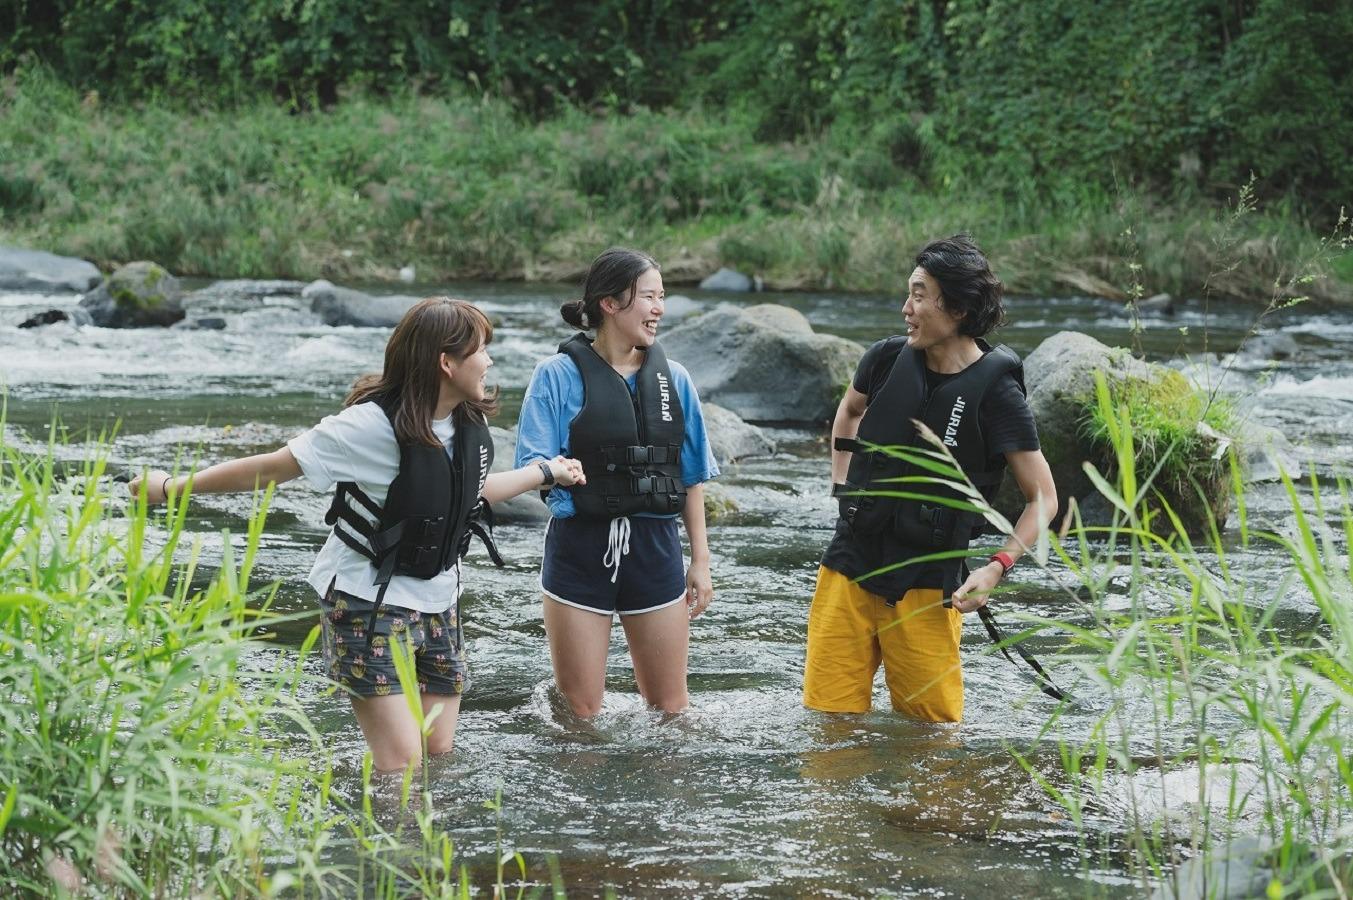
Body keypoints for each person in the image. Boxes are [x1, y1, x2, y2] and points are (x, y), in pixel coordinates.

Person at [129, 297, 585, 771]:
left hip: (439, 601)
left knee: (438, 754)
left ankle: (419, 841)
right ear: (446, 363)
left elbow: (468, 493)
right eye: (481, 350)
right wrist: (172, 488)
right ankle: (384, 843)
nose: (490, 361)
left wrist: (546, 473)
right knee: (401, 767)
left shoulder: (468, 419)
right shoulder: (366, 427)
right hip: (367, 604)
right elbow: (270, 469)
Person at [802, 234, 1057, 722]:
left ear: (958, 307)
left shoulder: (998, 395)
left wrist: (996, 567)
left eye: (919, 295)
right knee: (827, 730)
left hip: (927, 585)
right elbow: (849, 411)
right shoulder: (884, 358)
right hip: (848, 568)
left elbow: (1043, 498)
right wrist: (842, 487)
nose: (906, 308)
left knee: (930, 745)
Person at [515, 247, 720, 718]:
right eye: (649, 297)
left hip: (656, 549)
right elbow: (532, 464)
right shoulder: (556, 376)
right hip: (580, 548)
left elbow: (691, 478)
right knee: (580, 714)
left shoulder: (676, 380)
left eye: (661, 297)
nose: (659, 309)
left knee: (671, 712)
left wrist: (701, 562)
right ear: (609, 303)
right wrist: (559, 471)